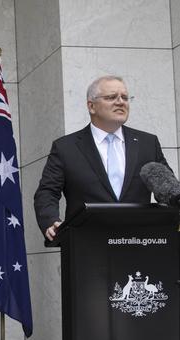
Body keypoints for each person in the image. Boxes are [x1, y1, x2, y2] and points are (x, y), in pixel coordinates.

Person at [34, 75, 168, 241]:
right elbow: (47, 192)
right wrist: (51, 221)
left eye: (125, 97)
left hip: (141, 243)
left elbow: (168, 190)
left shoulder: (148, 143)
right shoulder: (66, 147)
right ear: (91, 106)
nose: (121, 102)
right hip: (87, 245)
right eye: (112, 97)